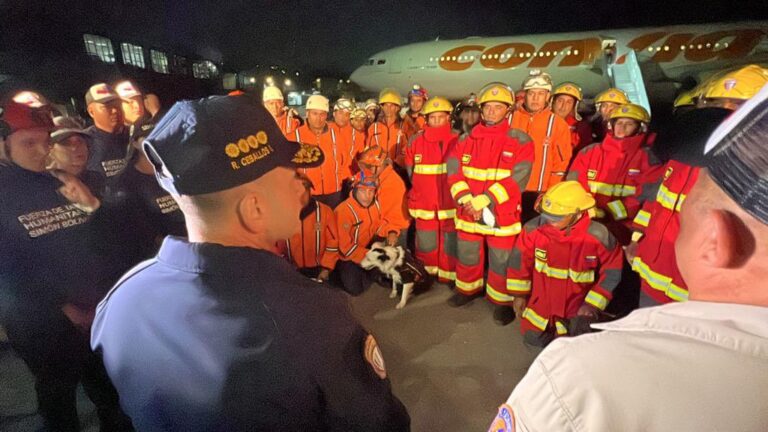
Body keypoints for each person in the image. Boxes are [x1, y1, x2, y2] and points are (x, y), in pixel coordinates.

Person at [91, 95, 410, 431]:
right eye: (292, 177)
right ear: (254, 209)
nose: (304, 190)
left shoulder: (120, 302)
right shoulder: (312, 318)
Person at [489, 82, 768, 432]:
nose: (620, 128)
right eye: (615, 123)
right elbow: (652, 206)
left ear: (717, 235)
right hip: (643, 270)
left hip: (636, 265)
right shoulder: (668, 166)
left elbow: (637, 211)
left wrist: (605, 220)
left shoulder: (569, 379)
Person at [0, 101, 133, 432]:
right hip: (41, 323)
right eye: (28, 143)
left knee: (108, 392)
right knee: (58, 397)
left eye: (45, 140)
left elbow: (101, 241)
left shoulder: (59, 181)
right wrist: (64, 307)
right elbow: (8, 272)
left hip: (93, 312)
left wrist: (93, 206)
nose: (41, 150)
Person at [446, 83, 534, 325]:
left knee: (501, 260)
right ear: (482, 110)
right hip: (468, 212)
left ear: (507, 111)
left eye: (498, 107)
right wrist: (466, 200)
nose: (493, 111)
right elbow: (453, 172)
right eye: (488, 107)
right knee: (467, 255)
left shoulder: (521, 141)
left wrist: (485, 200)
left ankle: (502, 301)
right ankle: (467, 290)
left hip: (501, 214)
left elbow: (518, 179)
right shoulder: (465, 139)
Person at [507, 181, 623, 349]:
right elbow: (519, 263)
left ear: (576, 214)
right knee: (532, 339)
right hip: (541, 305)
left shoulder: (598, 236)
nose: (548, 221)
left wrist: (592, 305)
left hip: (577, 307)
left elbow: (612, 272)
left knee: (577, 348)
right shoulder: (533, 230)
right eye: (546, 215)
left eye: (556, 217)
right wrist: (519, 294)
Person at [103, 115, 187, 266]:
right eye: (148, 138)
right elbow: (139, 234)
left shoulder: (176, 171)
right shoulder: (124, 184)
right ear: (134, 142)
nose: (155, 142)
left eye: (159, 135)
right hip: (162, 260)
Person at [405, 97, 458, 283]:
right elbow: (411, 172)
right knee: (426, 243)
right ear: (426, 119)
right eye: (432, 118)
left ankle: (448, 275)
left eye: (440, 117)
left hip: (449, 203)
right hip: (424, 204)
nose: (436, 121)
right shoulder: (415, 141)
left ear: (448, 118)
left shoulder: (458, 139)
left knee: (449, 242)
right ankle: (426, 275)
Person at [509, 71, 572, 221]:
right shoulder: (510, 119)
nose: (536, 99)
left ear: (548, 96)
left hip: (539, 192)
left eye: (541, 94)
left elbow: (561, 165)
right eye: (532, 94)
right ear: (525, 95)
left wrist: (549, 193)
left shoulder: (557, 124)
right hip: (509, 190)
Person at [334, 177, 394, 295]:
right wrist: (368, 255)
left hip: (368, 246)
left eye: (371, 191)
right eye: (362, 191)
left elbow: (383, 224)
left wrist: (391, 232)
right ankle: (336, 273)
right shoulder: (343, 211)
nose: (367, 196)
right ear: (354, 190)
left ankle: (374, 270)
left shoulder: (376, 204)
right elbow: (344, 247)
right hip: (346, 256)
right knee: (356, 289)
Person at [293, 94, 352, 208]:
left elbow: (345, 162)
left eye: (322, 114)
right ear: (307, 113)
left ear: (326, 115)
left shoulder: (336, 136)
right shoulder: (294, 137)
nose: (318, 118)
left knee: (333, 224)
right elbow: (287, 167)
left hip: (334, 193)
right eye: (314, 113)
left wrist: (341, 180)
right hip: (307, 192)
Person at [282, 173, 339, 281]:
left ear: (309, 190)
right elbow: (274, 245)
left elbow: (333, 242)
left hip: (318, 269)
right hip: (291, 270)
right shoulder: (279, 214)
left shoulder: (325, 212)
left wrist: (326, 268)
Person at [355, 146, 409, 247]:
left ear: (379, 165)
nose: (367, 170)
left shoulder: (391, 184)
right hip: (385, 229)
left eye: (369, 166)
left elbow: (391, 217)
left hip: (392, 233)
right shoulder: (381, 178)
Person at [48, 116, 105, 196]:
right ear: (50, 150)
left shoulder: (97, 179)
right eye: (65, 143)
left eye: (80, 141)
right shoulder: (44, 185)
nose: (75, 147)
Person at [84, 83, 129, 178]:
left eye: (117, 105)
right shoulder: (84, 142)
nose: (115, 110)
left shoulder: (135, 135)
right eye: (107, 106)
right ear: (91, 111)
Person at [367, 88, 413, 168]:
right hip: (378, 170)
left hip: (398, 170)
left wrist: (395, 162)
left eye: (392, 105)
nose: (388, 108)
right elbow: (369, 150)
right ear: (382, 107)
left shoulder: (405, 126)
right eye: (386, 105)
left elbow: (408, 149)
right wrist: (378, 162)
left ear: (397, 108)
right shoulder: (373, 128)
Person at [551, 82, 593, 155]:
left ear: (574, 106)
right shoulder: (539, 122)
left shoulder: (581, 127)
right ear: (553, 101)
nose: (563, 106)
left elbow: (584, 153)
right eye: (560, 101)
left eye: (569, 102)